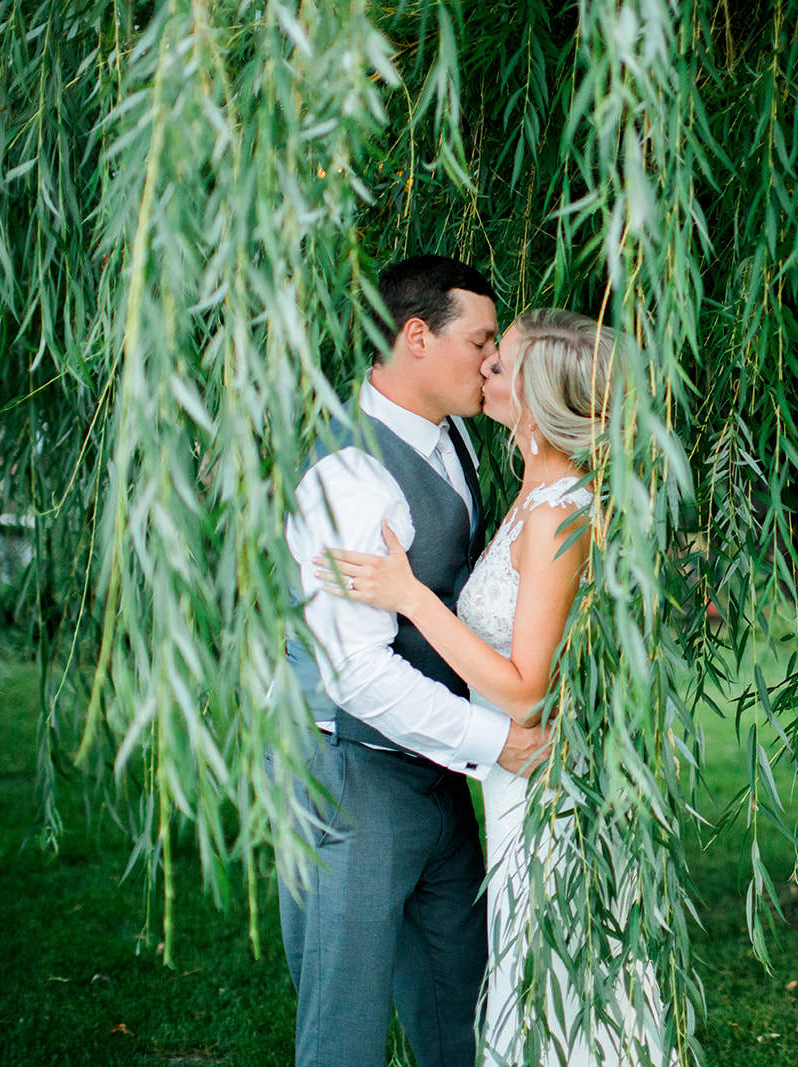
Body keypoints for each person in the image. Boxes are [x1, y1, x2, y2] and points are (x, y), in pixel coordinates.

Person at [318, 309, 668, 1066]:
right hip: (514, 785)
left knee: (560, 982)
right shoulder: (527, 489)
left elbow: (524, 688)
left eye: (500, 364)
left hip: (541, 786)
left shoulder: (557, 513)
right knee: (529, 971)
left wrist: (411, 599)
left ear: (538, 399)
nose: (484, 371)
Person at [279, 255, 547, 1067]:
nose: (496, 361)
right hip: (351, 775)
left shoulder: (452, 429)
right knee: (345, 1029)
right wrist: (493, 738)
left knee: (459, 1004)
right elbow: (357, 671)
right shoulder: (348, 477)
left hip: (438, 766)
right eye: (482, 340)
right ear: (416, 336)